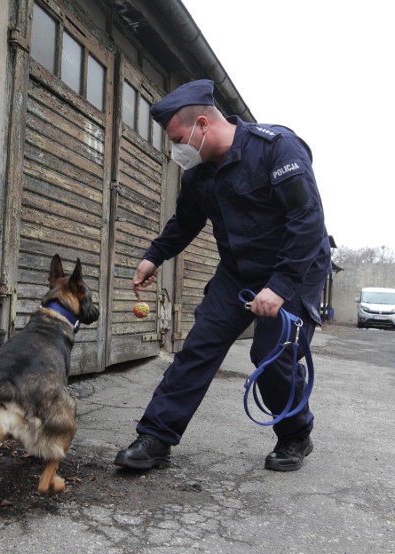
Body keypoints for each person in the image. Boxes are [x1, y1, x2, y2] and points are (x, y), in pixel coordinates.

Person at [114, 79, 331, 472]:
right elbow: (185, 222)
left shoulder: (276, 148)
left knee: (271, 354)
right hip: (237, 272)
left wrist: (279, 287)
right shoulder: (198, 174)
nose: (176, 149)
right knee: (199, 346)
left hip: (294, 267)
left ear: (201, 124)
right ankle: (156, 437)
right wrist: (154, 257)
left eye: (178, 138)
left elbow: (308, 221)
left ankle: (296, 433)